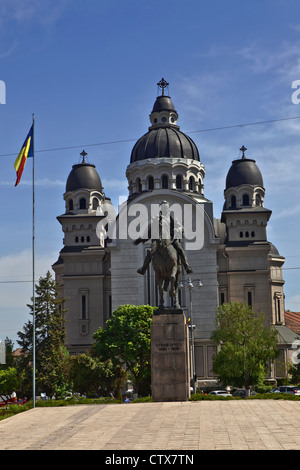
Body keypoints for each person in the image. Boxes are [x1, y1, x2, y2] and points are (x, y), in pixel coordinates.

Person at [135, 201, 193, 275]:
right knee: (150, 251)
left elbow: (181, 228)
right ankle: (143, 269)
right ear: (161, 209)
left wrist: (177, 229)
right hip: (158, 239)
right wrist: (141, 239)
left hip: (171, 239)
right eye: (164, 208)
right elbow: (151, 231)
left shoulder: (172, 219)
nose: (166, 210)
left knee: (179, 249)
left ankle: (187, 267)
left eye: (167, 208)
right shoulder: (157, 219)